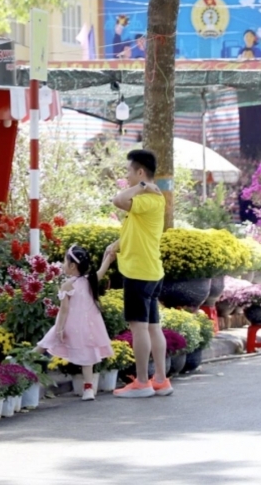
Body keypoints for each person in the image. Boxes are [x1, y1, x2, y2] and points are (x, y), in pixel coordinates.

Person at [99, 149, 171, 398]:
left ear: (140, 172)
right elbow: (138, 229)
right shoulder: (151, 200)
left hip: (139, 273)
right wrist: (117, 245)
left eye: (129, 171)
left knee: (139, 328)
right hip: (150, 270)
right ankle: (160, 380)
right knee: (153, 327)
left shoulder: (148, 197)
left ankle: (142, 382)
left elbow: (117, 200)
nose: (126, 176)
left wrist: (141, 186)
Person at [37, 246, 113, 401]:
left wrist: (59, 329)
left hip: (69, 324)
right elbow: (101, 271)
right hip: (88, 326)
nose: (63, 264)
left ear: (72, 266)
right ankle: (88, 389)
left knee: (44, 344)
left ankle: (21, 364)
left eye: (65, 261)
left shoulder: (67, 285)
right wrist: (108, 258)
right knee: (87, 356)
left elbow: (64, 310)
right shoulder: (90, 280)